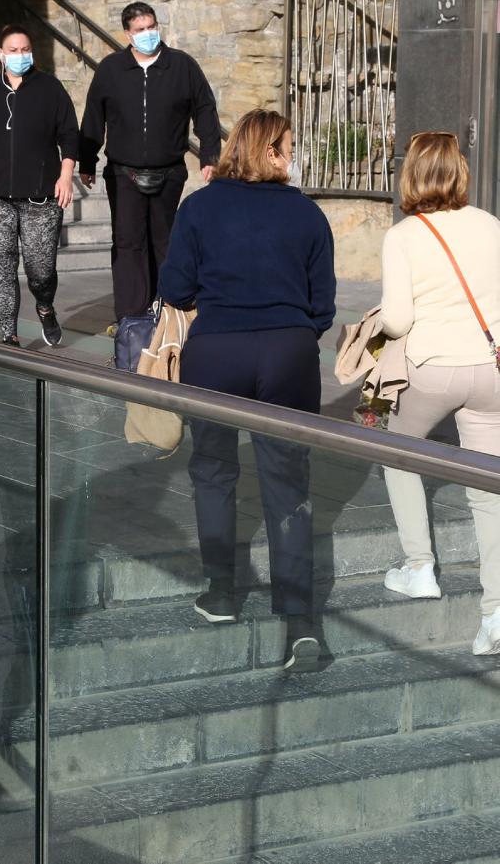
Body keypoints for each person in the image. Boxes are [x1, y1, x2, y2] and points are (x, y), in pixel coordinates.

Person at [158, 109, 336, 672]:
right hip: (287, 351)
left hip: (217, 350)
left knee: (213, 469)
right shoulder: (307, 215)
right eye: (287, 144)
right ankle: (300, 622)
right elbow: (323, 306)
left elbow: (175, 287)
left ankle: (220, 591)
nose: (292, 153)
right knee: (288, 482)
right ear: (271, 151)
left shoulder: (200, 206)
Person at [379, 131, 500, 655]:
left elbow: (399, 318)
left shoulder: (404, 235)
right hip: (490, 369)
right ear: (459, 171)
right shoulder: (491, 225)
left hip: (432, 369)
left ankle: (419, 567)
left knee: (396, 449)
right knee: (488, 487)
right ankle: (494, 614)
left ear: (412, 173)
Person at [79, 1, 221, 324]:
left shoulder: (182, 67)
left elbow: (205, 109)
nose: (148, 34)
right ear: (128, 34)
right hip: (123, 172)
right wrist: (86, 161)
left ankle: (167, 310)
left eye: (151, 27)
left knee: (165, 242)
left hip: (168, 172)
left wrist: (210, 155)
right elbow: (93, 118)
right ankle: (131, 317)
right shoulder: (111, 70)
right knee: (128, 242)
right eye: (140, 30)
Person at [0, 24, 79, 347]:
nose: (20, 55)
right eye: (13, 50)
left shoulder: (50, 89)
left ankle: (44, 305)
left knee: (41, 270)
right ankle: (8, 337)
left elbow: (69, 133)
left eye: (25, 49)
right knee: (2, 264)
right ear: (1, 54)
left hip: (41, 196)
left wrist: (66, 173)